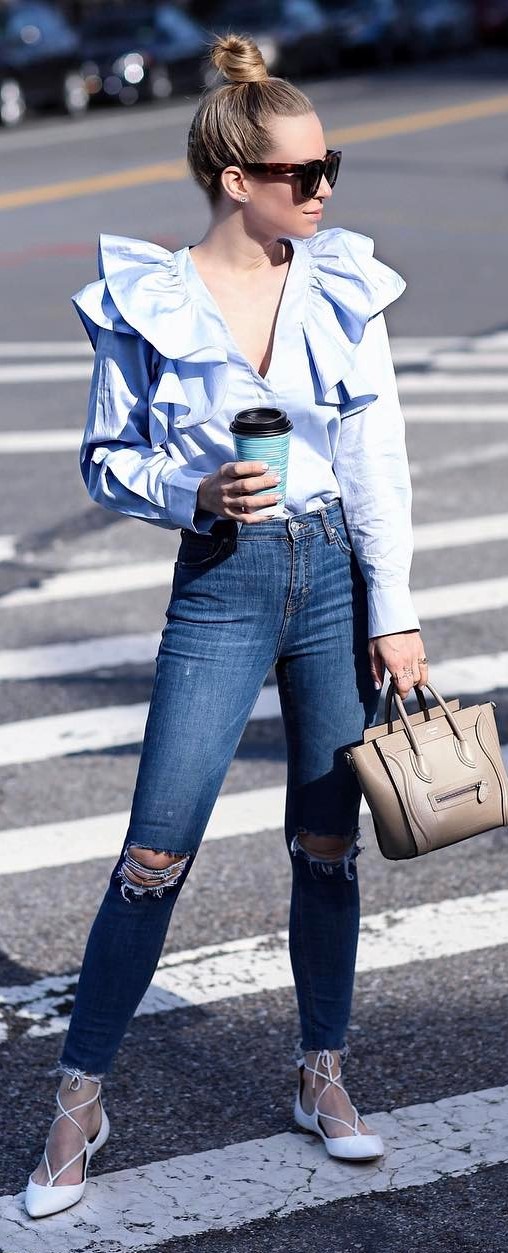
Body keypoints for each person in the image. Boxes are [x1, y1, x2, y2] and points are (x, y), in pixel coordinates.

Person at [24, 33, 428, 1219]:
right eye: (305, 173)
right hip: (223, 577)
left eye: (330, 166)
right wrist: (186, 490)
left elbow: (378, 456)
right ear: (235, 181)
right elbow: (107, 459)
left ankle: (322, 1074)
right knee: (155, 849)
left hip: (331, 576)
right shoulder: (148, 298)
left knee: (325, 845)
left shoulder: (340, 282)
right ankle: (79, 1101)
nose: (325, 189)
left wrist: (393, 612)